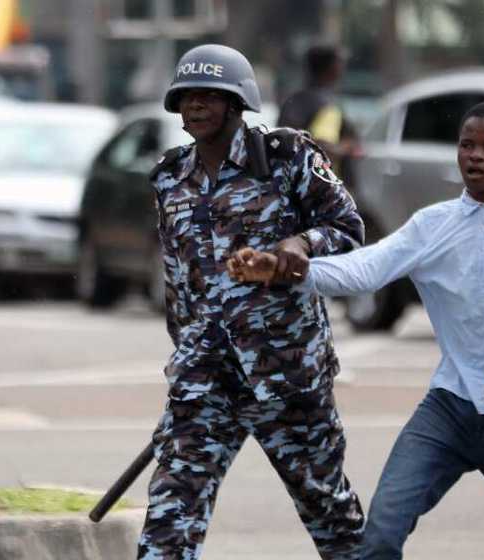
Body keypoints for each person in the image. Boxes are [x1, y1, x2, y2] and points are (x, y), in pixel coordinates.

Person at [230, 101, 484, 559]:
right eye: (467, 145)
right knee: (378, 537)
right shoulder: (432, 225)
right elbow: (365, 269)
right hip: (449, 412)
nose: (476, 156)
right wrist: (285, 271)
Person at [138, 43, 367, 560]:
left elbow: (349, 231)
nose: (196, 106)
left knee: (329, 511)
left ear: (237, 102)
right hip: (206, 376)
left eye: (209, 96)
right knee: (171, 515)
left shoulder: (287, 158)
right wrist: (185, 355)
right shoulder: (170, 178)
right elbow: (178, 279)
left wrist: (301, 245)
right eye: (187, 97)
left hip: (286, 372)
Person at [277, 44, 360, 183]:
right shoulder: (327, 106)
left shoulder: (292, 100)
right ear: (332, 67)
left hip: (288, 182)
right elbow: (323, 147)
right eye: (340, 62)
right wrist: (346, 149)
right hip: (320, 187)